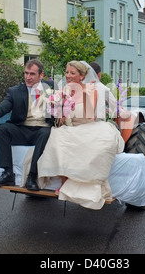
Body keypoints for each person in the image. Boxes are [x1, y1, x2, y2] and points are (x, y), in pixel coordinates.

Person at [37, 60, 125, 210]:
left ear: (82, 76)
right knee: (58, 137)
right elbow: (58, 118)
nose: (68, 76)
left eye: (72, 73)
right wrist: (58, 111)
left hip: (90, 126)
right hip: (70, 127)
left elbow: (90, 116)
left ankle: (86, 183)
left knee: (89, 143)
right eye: (67, 72)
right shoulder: (63, 91)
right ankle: (64, 183)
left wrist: (83, 95)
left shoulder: (92, 90)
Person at [0, 59, 53, 191]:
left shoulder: (52, 89)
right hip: (22, 129)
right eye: (26, 73)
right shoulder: (15, 91)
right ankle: (8, 173)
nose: (28, 77)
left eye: (32, 74)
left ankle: (32, 177)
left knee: (46, 132)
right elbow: (4, 107)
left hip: (42, 130)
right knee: (2, 129)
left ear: (41, 75)